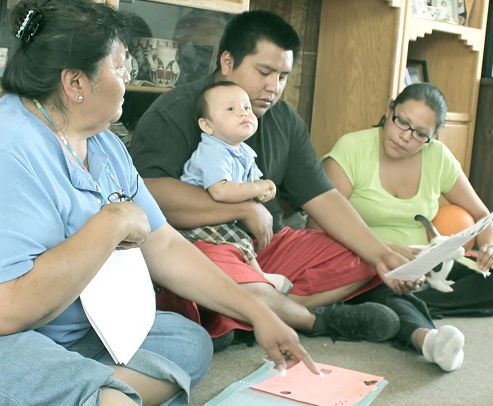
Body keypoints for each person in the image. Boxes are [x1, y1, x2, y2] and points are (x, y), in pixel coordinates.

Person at [0, 2, 321, 405]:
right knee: (108, 397)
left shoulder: (100, 142)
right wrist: (112, 222)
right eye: (119, 65)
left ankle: (80, 385)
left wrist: (255, 310)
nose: (129, 72)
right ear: (75, 82)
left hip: (55, 323)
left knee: (187, 341)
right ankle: (93, 391)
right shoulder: (0, 152)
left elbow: (165, 246)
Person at [130, 9, 419, 349]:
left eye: (282, 76)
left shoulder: (284, 119)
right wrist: (244, 209)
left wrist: (380, 254)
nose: (274, 87)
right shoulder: (175, 110)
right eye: (264, 72)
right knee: (206, 280)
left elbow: (322, 196)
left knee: (359, 253)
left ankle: (250, 312)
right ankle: (307, 317)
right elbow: (149, 195)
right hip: (200, 249)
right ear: (227, 61)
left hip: (264, 247)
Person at [310, 82, 493, 371]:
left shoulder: (438, 156)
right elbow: (315, 228)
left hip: (425, 264)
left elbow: (482, 214)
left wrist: (488, 246)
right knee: (385, 289)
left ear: (432, 138)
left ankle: (403, 299)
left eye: (420, 134)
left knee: (486, 275)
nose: (405, 137)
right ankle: (427, 339)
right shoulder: (352, 148)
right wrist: (384, 252)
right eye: (401, 122)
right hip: (364, 264)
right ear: (390, 109)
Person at [179, 80, 291, 293]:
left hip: (221, 218)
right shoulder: (213, 151)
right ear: (207, 126)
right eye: (231, 109)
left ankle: (256, 277)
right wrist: (258, 189)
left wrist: (264, 190)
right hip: (196, 221)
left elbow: (252, 183)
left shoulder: (243, 151)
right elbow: (221, 190)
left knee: (240, 238)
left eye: (247, 107)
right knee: (238, 240)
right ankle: (261, 276)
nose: (243, 113)